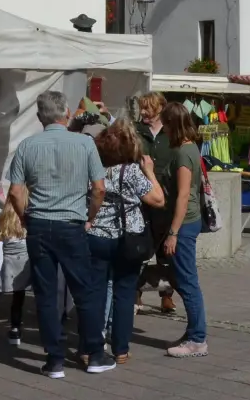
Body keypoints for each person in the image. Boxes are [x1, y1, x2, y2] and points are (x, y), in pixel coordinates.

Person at [7, 91, 108, 379]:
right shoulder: (85, 143)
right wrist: (90, 216)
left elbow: (15, 191)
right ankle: (95, 354)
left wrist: (26, 215)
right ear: (67, 113)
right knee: (84, 290)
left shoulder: (27, 146)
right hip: (71, 222)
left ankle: (54, 360)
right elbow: (99, 188)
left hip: (39, 223)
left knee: (46, 294)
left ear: (40, 117)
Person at [88, 119, 165, 363]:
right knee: (124, 292)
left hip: (98, 235)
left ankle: (92, 343)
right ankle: (120, 349)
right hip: (127, 237)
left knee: (97, 291)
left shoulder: (95, 168)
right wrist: (150, 171)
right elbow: (158, 199)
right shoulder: (130, 171)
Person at [159, 101, 210, 359]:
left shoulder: (181, 153)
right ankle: (193, 332)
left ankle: (198, 339)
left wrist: (173, 232)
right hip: (191, 221)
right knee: (185, 279)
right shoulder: (192, 148)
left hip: (185, 223)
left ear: (172, 125)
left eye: (165, 125)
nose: (163, 130)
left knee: (188, 282)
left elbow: (182, 195)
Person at [133, 91, 177, 313]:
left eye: (148, 108)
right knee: (140, 248)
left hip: (166, 199)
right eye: (142, 108)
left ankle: (166, 296)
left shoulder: (171, 133)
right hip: (141, 198)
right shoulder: (136, 130)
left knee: (165, 253)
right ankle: (136, 293)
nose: (143, 112)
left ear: (160, 108)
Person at [0, 202, 31, 347]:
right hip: (26, 259)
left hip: (9, 261)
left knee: (17, 297)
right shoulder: (28, 217)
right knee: (25, 295)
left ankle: (15, 328)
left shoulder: (3, 218)